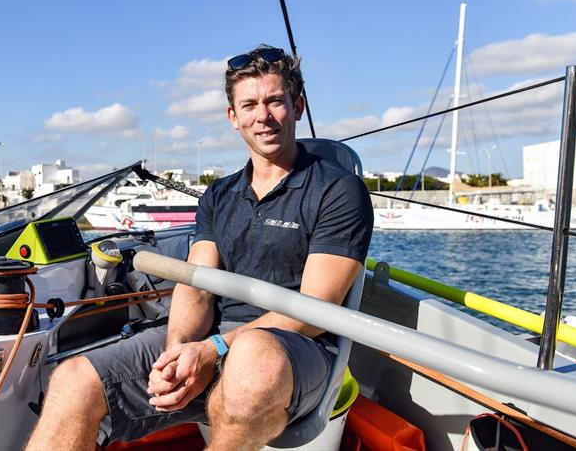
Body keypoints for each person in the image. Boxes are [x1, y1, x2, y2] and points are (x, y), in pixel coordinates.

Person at [26, 45, 373, 451]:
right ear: (233, 117)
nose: (262, 116)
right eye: (249, 105)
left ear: (297, 106)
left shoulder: (338, 191)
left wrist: (215, 349)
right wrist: (178, 352)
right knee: (72, 381)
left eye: (275, 101)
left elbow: (316, 308)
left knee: (251, 359)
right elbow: (197, 285)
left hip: (295, 352)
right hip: (213, 342)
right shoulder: (220, 195)